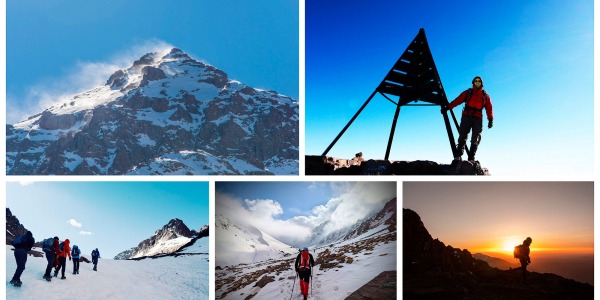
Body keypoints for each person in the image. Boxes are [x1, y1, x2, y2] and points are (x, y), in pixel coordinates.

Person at [442, 76, 493, 161]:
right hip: (466, 116)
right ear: (473, 83)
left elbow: (489, 108)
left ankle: (471, 157)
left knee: (476, 137)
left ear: (481, 83)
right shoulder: (468, 92)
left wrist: (490, 119)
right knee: (462, 135)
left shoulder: (485, 96)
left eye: (479, 81)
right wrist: (448, 108)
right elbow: (458, 100)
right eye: (475, 81)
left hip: (478, 118)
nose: (477, 82)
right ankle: (458, 156)